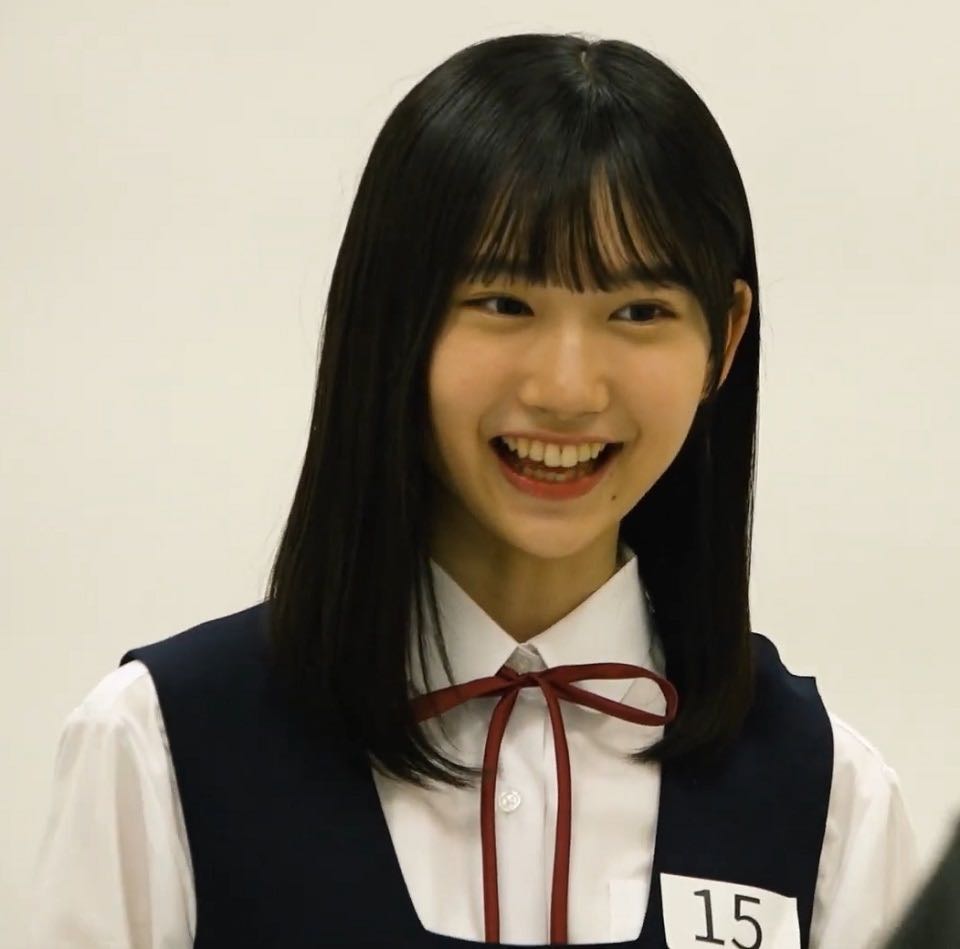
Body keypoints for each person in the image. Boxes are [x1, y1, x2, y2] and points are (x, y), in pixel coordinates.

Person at [30, 32, 918, 948]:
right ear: (393, 318)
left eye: (639, 311)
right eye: (503, 303)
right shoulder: (160, 748)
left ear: (723, 340)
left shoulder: (828, 799)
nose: (567, 388)